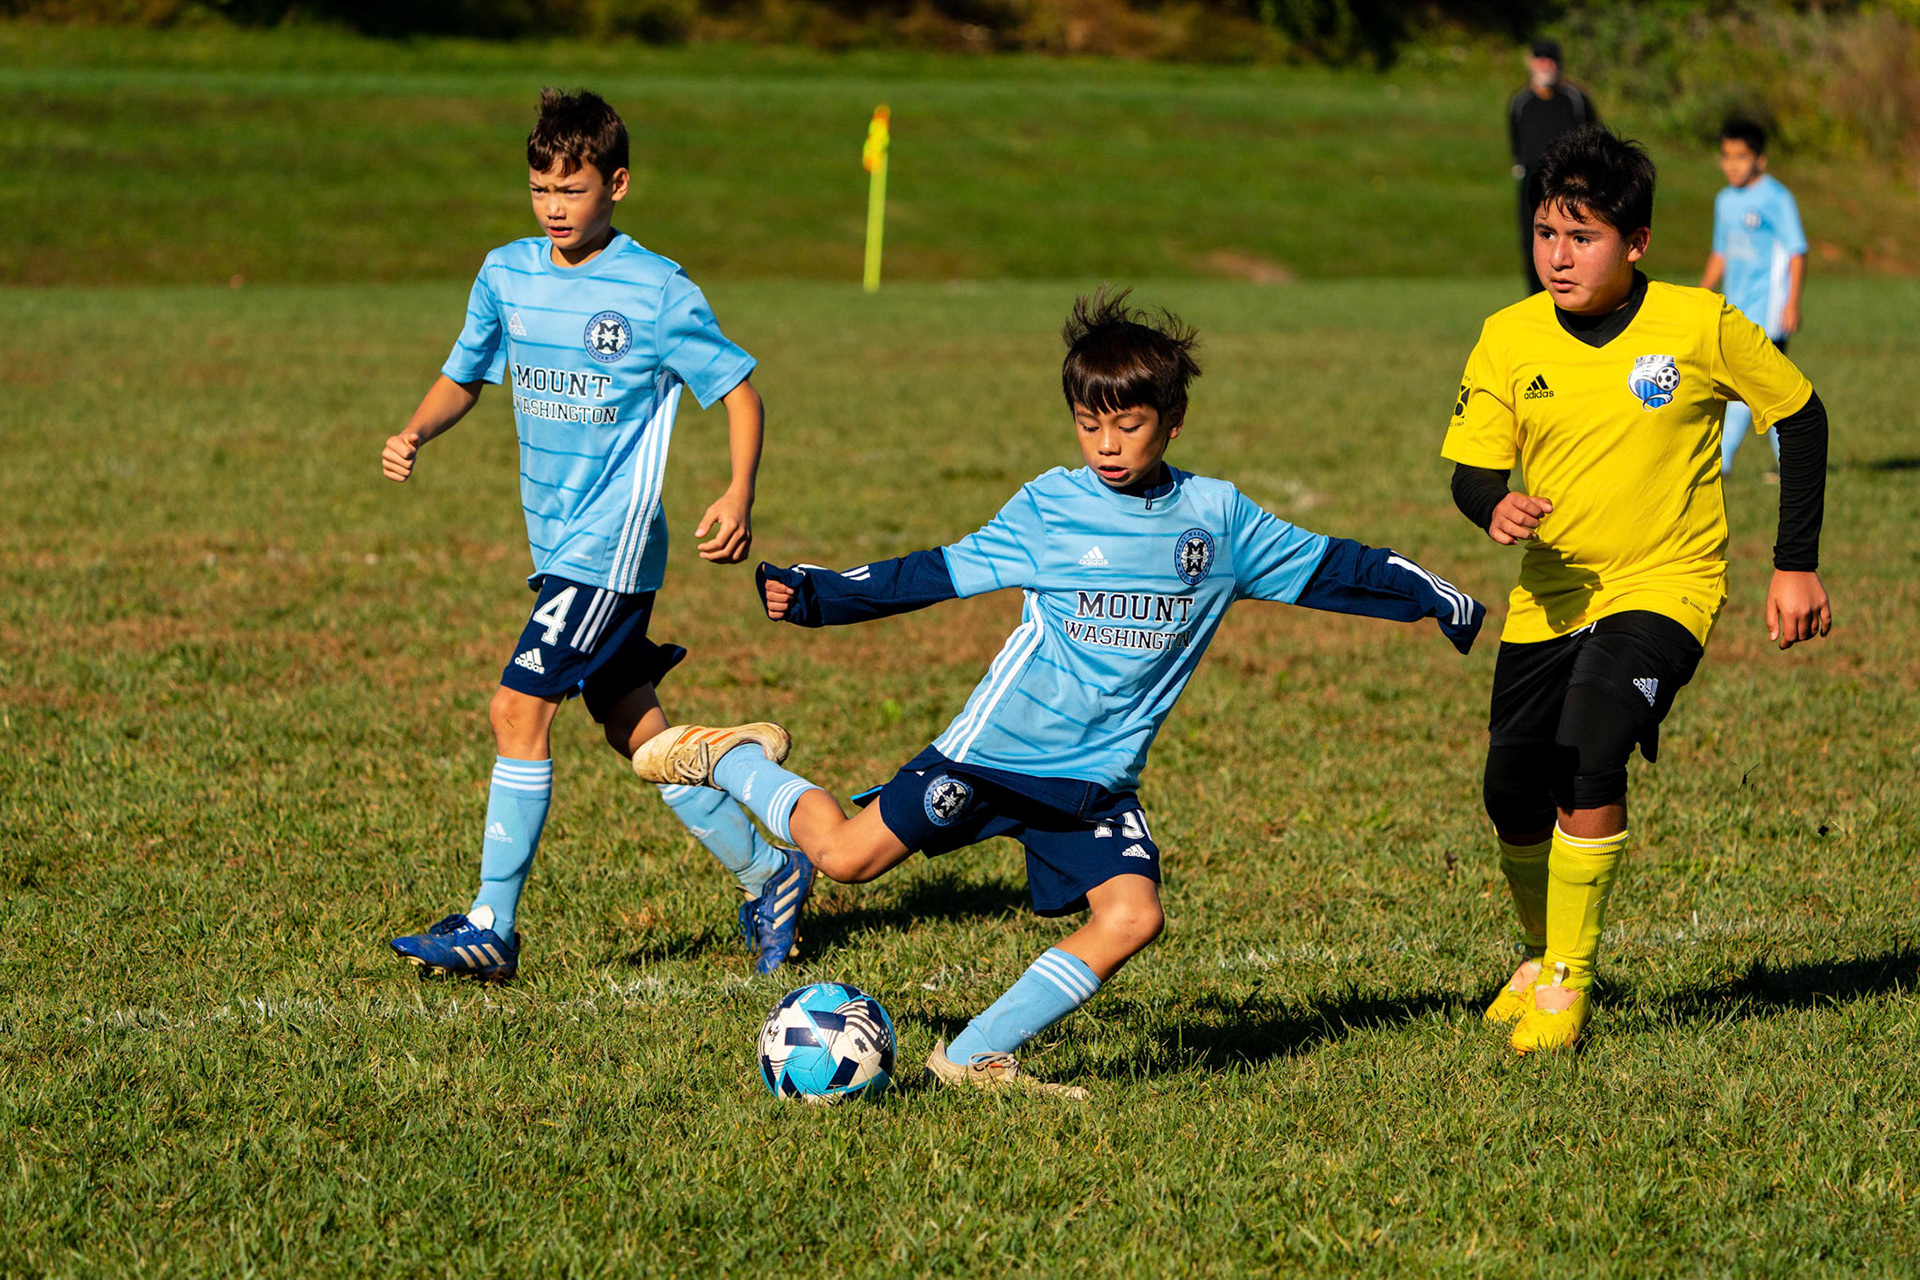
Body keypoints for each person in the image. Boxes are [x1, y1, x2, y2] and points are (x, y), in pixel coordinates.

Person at [631, 289, 1487, 1096]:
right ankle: (735, 759)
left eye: (1128, 425)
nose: (1106, 446)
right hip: (997, 752)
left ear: (1173, 422)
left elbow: (1334, 566)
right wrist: (822, 596)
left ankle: (971, 1057)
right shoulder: (1052, 506)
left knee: (1132, 916)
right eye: (1089, 425)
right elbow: (942, 571)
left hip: (1093, 781)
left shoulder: (1217, 522)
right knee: (847, 860)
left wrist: (1428, 593)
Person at [379, 88, 812, 982]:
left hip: (610, 550)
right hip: (556, 545)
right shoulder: (507, 273)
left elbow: (738, 391)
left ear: (616, 184)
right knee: (638, 734)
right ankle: (772, 870)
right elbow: (465, 374)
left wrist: (737, 494)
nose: (553, 209)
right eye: (540, 190)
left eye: (570, 191)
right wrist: (417, 430)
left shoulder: (657, 289)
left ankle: (492, 924)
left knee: (516, 709)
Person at [1444, 125, 1833, 1054]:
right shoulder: (1508, 334)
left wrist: (1795, 562)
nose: (1558, 256)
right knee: (1511, 788)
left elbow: (1800, 414)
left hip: (1667, 583)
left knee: (1591, 743)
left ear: (1637, 244)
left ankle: (1569, 981)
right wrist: (1494, 507)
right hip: (1551, 597)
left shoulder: (1697, 325)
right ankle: (1542, 954)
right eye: (1546, 233)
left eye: (1582, 237)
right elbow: (1468, 469)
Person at [1700, 117, 1808, 480]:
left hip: (1770, 310)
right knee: (1758, 391)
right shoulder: (1725, 200)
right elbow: (1721, 252)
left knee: (1756, 390)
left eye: (1741, 156)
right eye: (1727, 156)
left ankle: (1724, 461)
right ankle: (1790, 465)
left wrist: (1791, 303)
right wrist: (1702, 293)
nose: (1732, 164)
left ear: (1760, 160)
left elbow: (1796, 251)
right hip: (1737, 309)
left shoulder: (1777, 198)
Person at [1508, 38, 1600, 295]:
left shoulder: (1575, 99)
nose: (1545, 64)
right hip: (1533, 187)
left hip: (1571, 185)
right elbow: (1517, 143)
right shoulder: (1520, 102)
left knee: (1573, 241)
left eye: (1550, 59)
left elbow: (1593, 139)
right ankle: (1537, 299)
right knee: (1534, 242)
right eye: (1540, 58)